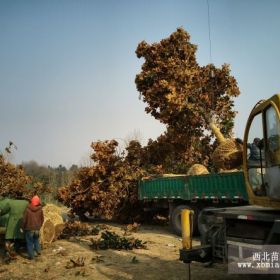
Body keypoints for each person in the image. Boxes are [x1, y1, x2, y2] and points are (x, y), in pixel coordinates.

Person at [22, 195, 44, 260]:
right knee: (36, 240)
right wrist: (39, 226)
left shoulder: (27, 209)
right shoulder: (40, 209)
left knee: (29, 242)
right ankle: (38, 251)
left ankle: (31, 256)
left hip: (29, 228)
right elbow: (42, 219)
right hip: (37, 228)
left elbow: (24, 220)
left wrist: (22, 227)